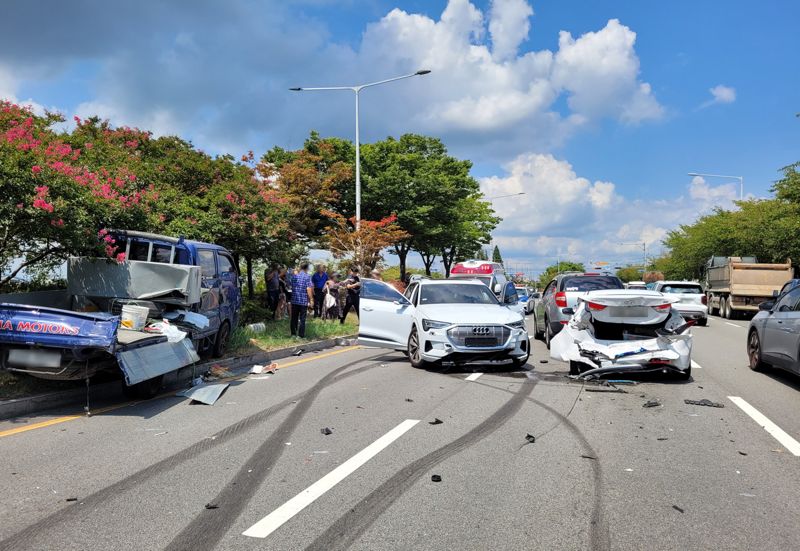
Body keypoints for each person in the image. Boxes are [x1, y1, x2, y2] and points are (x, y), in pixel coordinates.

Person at [290, 262, 314, 338]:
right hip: (303, 301)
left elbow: (292, 287)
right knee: (302, 319)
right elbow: (309, 289)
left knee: (294, 318)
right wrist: (311, 299)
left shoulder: (294, 276)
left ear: (300, 268)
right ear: (307, 268)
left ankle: (293, 334)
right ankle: (300, 336)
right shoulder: (307, 277)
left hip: (294, 300)